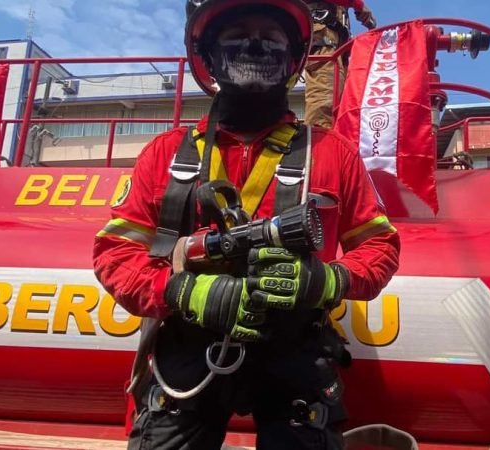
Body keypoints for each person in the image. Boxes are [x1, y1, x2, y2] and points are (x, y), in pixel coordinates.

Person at [92, 0, 400, 449]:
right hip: (187, 349)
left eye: (270, 37)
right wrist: (180, 291)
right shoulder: (165, 153)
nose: (254, 46)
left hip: (295, 349)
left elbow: (380, 248)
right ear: (209, 55)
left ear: (294, 58)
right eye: (237, 34)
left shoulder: (335, 154)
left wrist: (326, 280)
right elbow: (115, 253)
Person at [304, 0, 376, 128]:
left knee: (342, 108)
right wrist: (357, 4)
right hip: (324, 42)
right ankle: (318, 145)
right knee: (325, 103)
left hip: (338, 47)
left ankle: (333, 143)